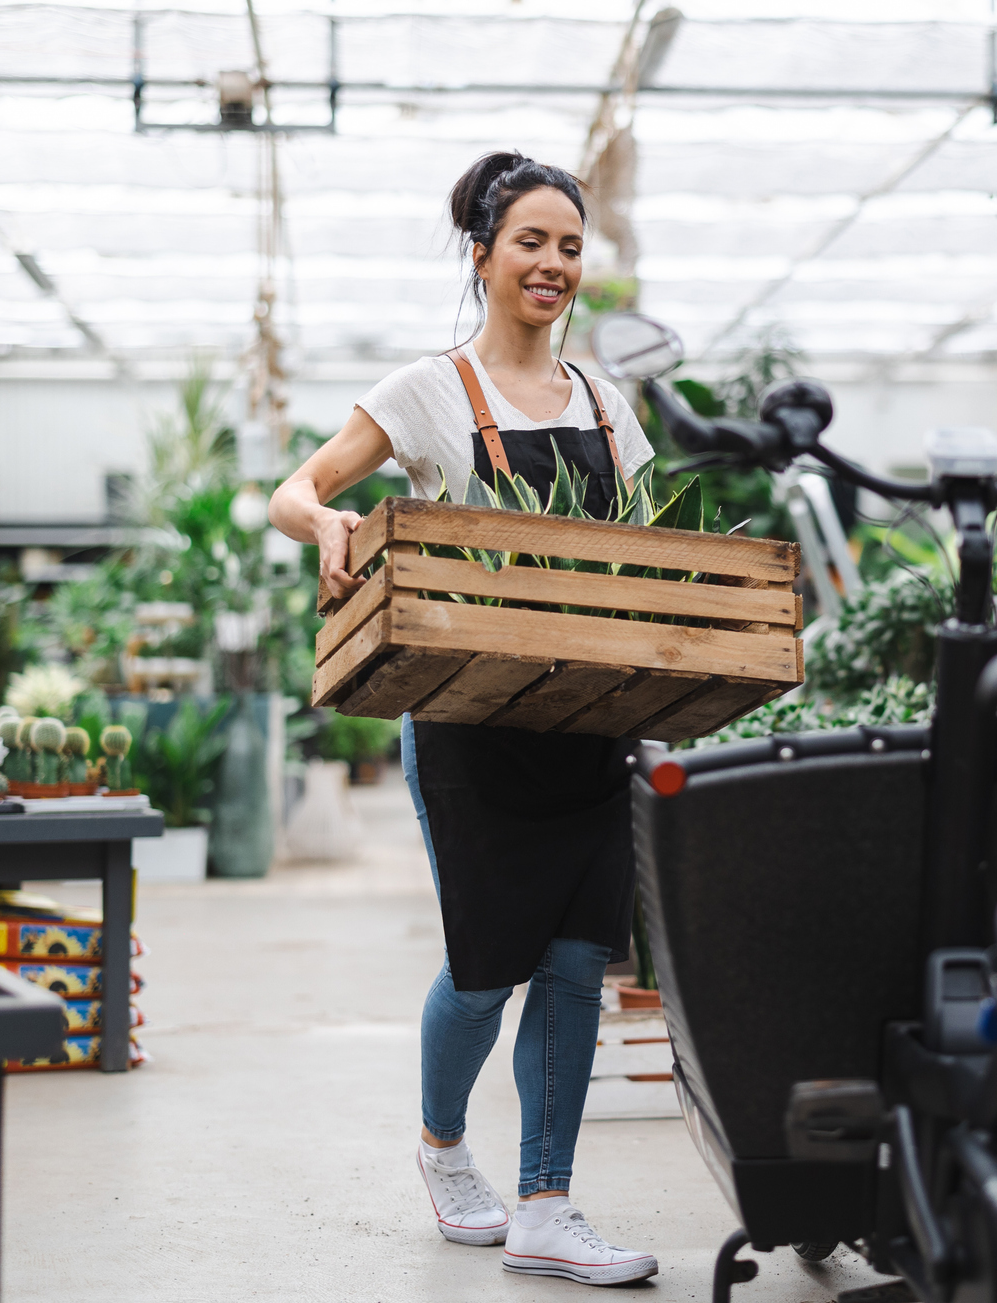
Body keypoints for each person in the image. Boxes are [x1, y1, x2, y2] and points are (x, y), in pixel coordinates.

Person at [269, 152, 658, 1286]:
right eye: (530, 241)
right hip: (468, 722)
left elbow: (635, 558)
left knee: (576, 967)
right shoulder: (428, 391)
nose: (552, 264)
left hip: (588, 721)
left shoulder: (608, 405)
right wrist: (328, 528)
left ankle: (546, 1204)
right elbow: (297, 490)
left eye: (570, 247)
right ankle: (443, 1147)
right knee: (487, 965)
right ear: (482, 255)